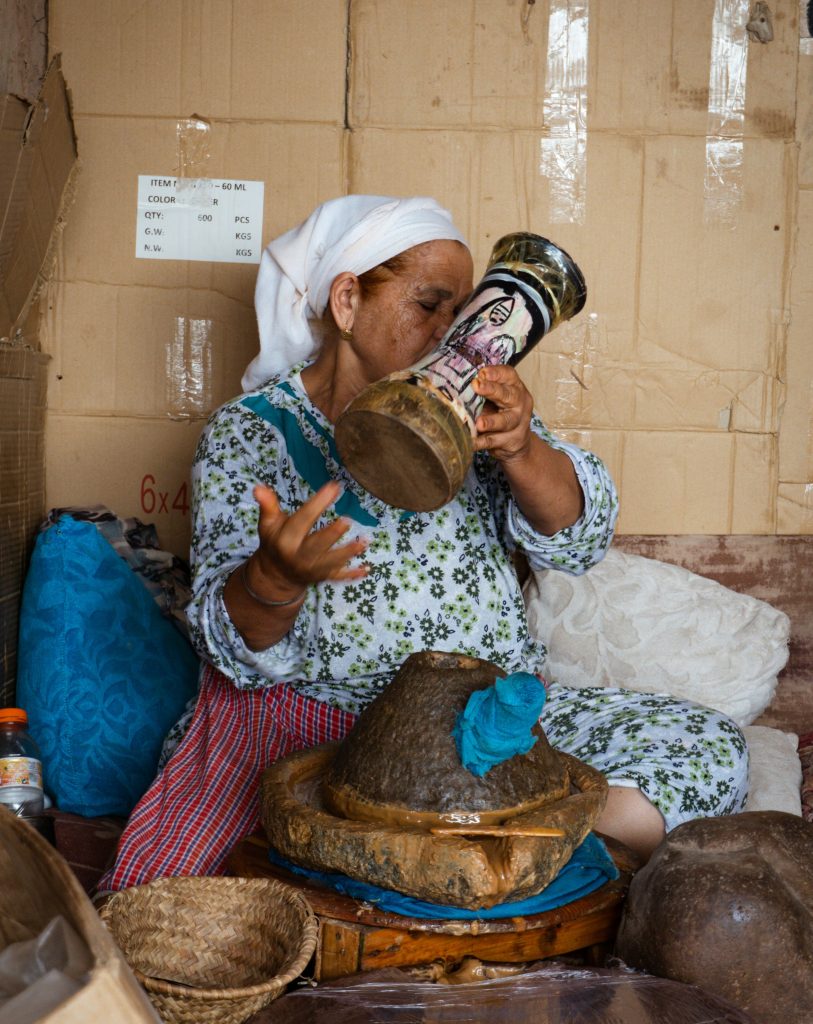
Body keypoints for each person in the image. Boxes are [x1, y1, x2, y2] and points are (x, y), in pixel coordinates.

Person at [100, 195, 748, 893]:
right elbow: (234, 643)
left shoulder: (469, 411)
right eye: (429, 306)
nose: (452, 333)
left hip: (488, 720)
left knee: (709, 749)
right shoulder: (251, 434)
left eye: (464, 313)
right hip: (344, 728)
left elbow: (575, 542)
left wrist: (521, 447)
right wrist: (277, 578)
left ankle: (446, 853)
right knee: (203, 862)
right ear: (346, 302)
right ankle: (490, 854)